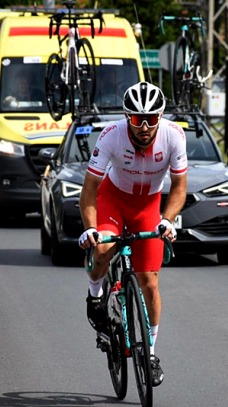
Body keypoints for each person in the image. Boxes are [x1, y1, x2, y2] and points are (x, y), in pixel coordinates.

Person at [78, 82, 188, 387]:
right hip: (113, 199)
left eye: (152, 118)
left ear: (161, 117)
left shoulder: (173, 136)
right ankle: (95, 293)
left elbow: (179, 188)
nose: (144, 126)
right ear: (127, 117)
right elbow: (89, 190)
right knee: (101, 249)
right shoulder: (111, 136)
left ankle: (150, 353)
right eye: (137, 119)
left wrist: (167, 221)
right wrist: (90, 228)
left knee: (150, 282)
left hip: (147, 206)